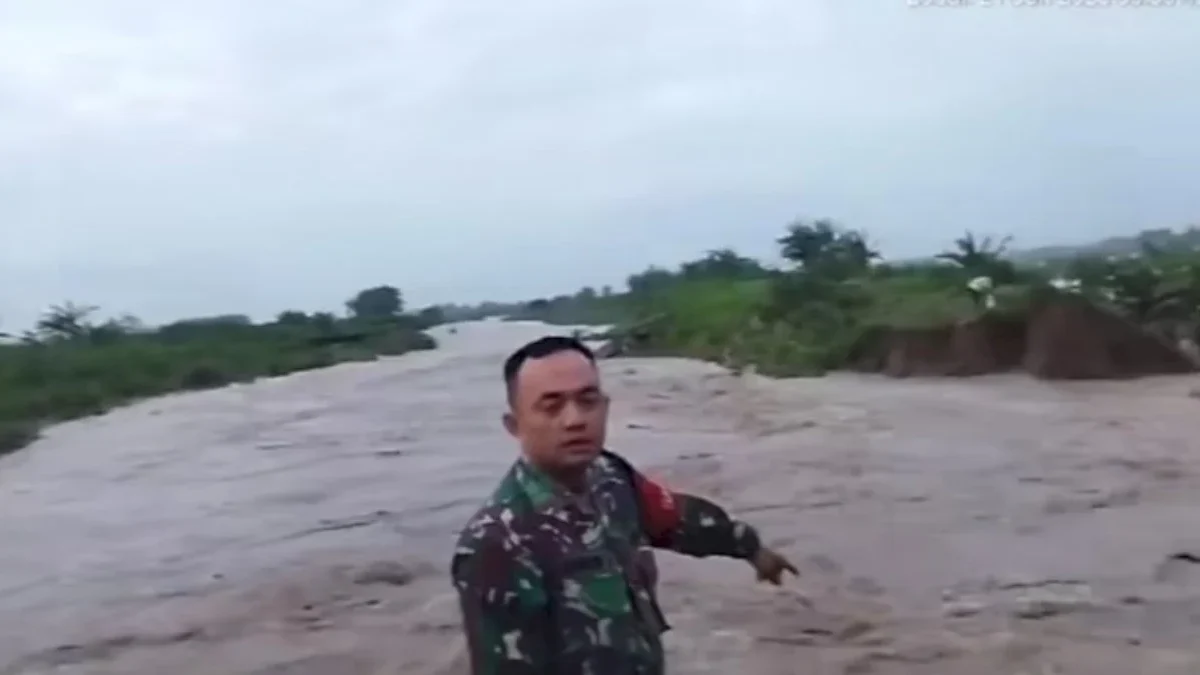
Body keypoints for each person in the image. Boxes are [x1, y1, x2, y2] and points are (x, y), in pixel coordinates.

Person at [450, 335, 797, 675]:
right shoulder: (498, 543)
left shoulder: (611, 478)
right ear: (515, 425)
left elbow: (678, 520)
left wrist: (751, 548)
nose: (574, 420)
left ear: (605, 406)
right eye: (551, 406)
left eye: (587, 400)